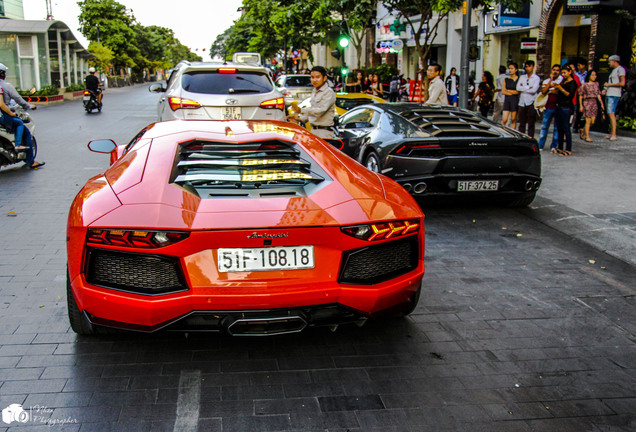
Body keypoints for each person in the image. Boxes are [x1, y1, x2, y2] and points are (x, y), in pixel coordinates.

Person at [0, 63, 44, 169]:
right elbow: (7, 102)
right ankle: (25, 155)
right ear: (2, 74)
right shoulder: (5, 86)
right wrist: (13, 112)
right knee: (24, 129)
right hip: (4, 115)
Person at [287, 65, 336, 139]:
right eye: (312, 77)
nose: (315, 80)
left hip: (324, 132)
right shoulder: (315, 91)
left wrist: (301, 110)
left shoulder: (328, 92)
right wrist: (299, 118)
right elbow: (313, 111)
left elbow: (320, 110)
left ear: (324, 78)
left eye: (317, 77)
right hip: (313, 130)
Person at [537, 64, 563, 151]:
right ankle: (541, 145)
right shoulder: (547, 80)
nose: (555, 72)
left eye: (557, 70)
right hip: (548, 106)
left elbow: (557, 92)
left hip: (557, 107)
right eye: (554, 70)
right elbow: (544, 91)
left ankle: (554, 146)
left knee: (556, 128)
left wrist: (552, 90)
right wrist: (551, 81)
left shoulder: (561, 80)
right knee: (544, 126)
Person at [553, 65, 577, 156]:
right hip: (559, 105)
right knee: (559, 128)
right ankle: (560, 147)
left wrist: (560, 88)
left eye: (565, 73)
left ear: (570, 72)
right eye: (562, 73)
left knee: (566, 128)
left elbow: (570, 95)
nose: (563, 75)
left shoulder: (572, 82)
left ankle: (568, 148)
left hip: (566, 107)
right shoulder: (562, 81)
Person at [603, 54, 626, 141]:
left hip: (614, 94)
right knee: (610, 113)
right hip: (610, 93)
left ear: (614, 61)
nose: (609, 63)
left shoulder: (620, 70)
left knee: (611, 113)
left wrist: (609, 85)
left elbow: (622, 83)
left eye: (610, 61)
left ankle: (614, 134)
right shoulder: (614, 70)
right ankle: (611, 132)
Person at [516, 60, 541, 137]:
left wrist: (524, 87)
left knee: (531, 123)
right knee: (521, 122)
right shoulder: (522, 77)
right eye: (526, 66)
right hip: (522, 102)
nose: (527, 68)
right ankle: (521, 137)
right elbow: (518, 88)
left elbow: (534, 90)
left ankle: (530, 138)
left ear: (532, 67)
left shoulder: (536, 78)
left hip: (531, 102)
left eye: (529, 66)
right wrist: (528, 87)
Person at [578, 70, 604, 142]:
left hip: (594, 102)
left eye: (595, 75)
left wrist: (601, 103)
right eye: (592, 75)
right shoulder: (585, 85)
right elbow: (581, 95)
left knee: (593, 121)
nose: (594, 77)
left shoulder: (596, 84)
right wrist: (581, 105)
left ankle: (583, 129)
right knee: (588, 120)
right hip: (587, 102)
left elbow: (598, 94)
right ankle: (587, 136)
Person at [501, 63, 520, 128]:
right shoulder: (506, 79)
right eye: (509, 68)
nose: (510, 70)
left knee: (513, 119)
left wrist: (508, 90)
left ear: (516, 70)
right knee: (504, 119)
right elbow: (503, 91)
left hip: (514, 100)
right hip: (507, 99)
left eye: (512, 68)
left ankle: (513, 132)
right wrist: (511, 92)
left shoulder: (519, 79)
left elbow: (518, 91)